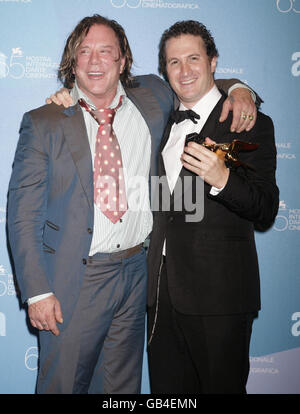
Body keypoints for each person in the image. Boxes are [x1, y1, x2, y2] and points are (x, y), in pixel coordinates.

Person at [8, 14, 257, 394]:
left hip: (137, 275)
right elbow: (22, 216)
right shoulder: (45, 121)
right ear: (72, 62)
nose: (94, 62)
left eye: (105, 52)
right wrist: (38, 292)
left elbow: (195, 83)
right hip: (76, 280)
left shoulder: (152, 97)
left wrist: (240, 89)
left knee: (120, 389)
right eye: (84, 52)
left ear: (122, 61)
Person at [146, 20, 279, 394]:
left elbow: (266, 208)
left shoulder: (247, 122)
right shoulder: (161, 120)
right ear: (164, 69)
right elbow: (107, 80)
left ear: (214, 62)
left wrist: (223, 181)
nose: (184, 70)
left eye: (193, 58)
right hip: (161, 297)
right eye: (174, 62)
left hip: (220, 298)